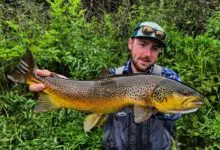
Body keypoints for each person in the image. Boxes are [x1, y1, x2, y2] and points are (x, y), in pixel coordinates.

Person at [29, 21, 181, 150]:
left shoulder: (167, 78)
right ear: (130, 43)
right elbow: (87, 92)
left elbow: (178, 112)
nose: (147, 53)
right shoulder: (112, 76)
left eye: (154, 48)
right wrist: (60, 82)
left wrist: (154, 106)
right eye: (142, 44)